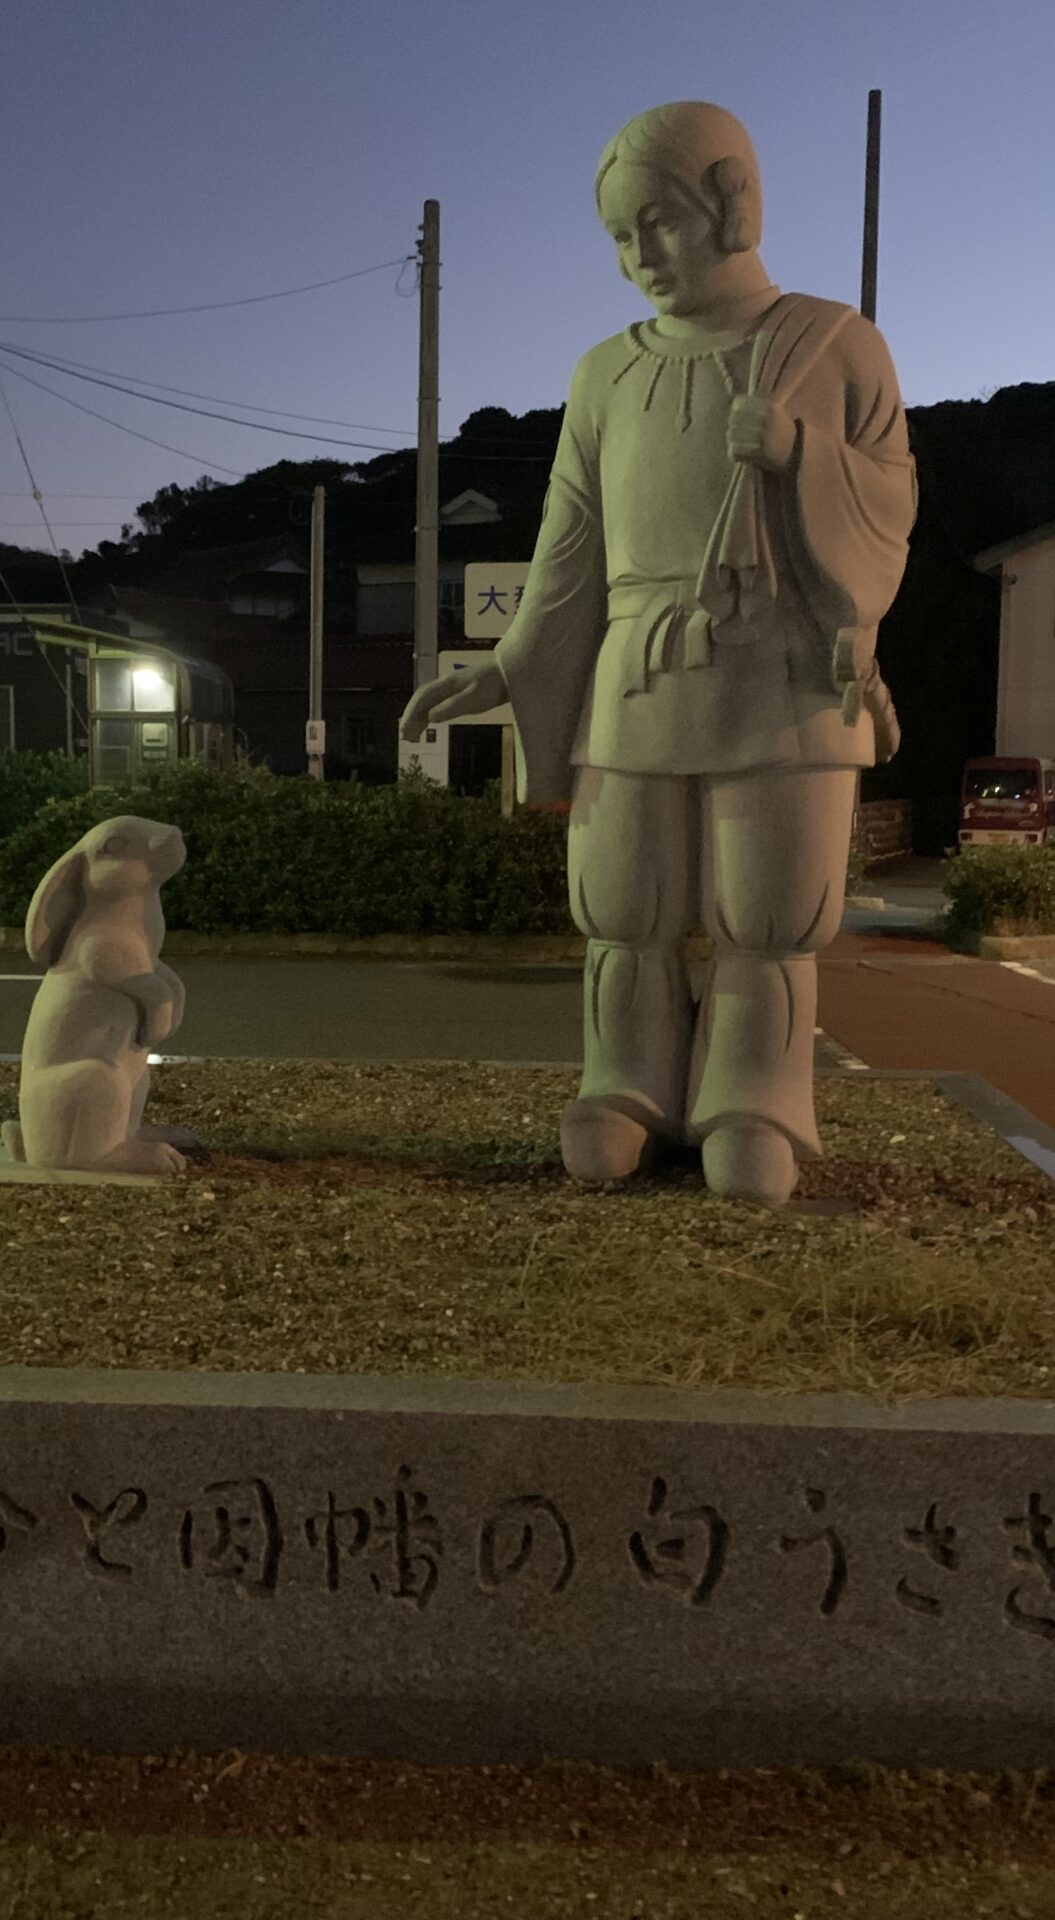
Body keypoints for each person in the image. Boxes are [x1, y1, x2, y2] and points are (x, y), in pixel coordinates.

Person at [400, 100, 916, 1204]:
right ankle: (623, 1083)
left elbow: (892, 501)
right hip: (633, 669)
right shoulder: (603, 375)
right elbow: (570, 545)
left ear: (732, 203)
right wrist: (513, 660)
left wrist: (795, 455)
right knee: (622, 904)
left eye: (660, 223)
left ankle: (755, 1100)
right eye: (621, 237)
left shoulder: (834, 345)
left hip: (778, 663)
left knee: (767, 913)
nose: (641, 257)